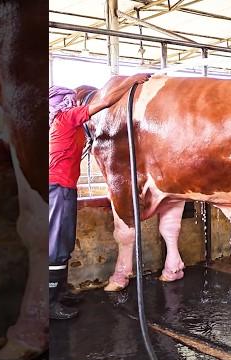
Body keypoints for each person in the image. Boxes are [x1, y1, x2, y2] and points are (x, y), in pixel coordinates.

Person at [48, 73, 153, 320]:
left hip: (60, 186)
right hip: (58, 187)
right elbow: (103, 103)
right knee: (56, 244)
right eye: (71, 100)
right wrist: (131, 81)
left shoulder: (55, 121)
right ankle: (50, 304)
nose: (74, 103)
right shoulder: (65, 118)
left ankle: (59, 292)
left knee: (63, 241)